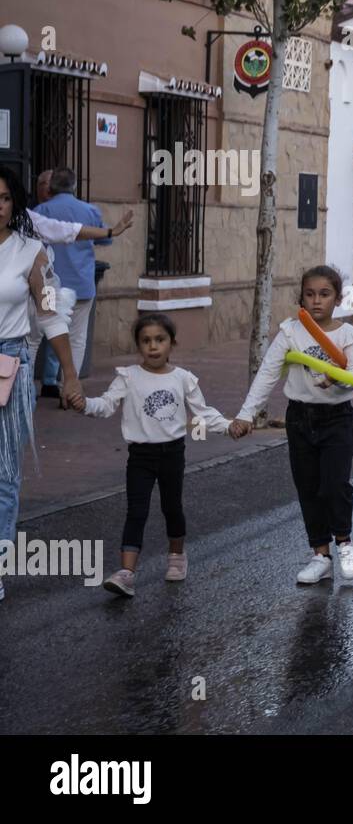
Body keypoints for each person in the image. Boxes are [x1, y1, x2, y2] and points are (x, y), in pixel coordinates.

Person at [73, 313, 230, 597]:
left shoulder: (183, 378)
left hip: (172, 453)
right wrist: (84, 404)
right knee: (136, 511)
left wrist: (231, 427)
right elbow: (107, 405)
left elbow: (203, 414)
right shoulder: (128, 377)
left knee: (172, 507)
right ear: (138, 346)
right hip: (140, 457)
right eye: (146, 341)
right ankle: (126, 574)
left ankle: (177, 557)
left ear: (172, 343)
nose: (153, 346)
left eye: (160, 339)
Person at [229, 266, 353, 584]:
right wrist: (247, 414)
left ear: (338, 297)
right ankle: (320, 554)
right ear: (301, 297)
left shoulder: (349, 334)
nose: (317, 301)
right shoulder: (291, 331)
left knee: (335, 485)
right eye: (310, 294)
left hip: (336, 419)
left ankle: (344, 542)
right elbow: (268, 373)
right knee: (308, 487)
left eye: (324, 294)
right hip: (300, 418)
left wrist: (339, 377)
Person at [0, 167, 84, 603]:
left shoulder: (32, 253)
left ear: (14, 204)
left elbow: (50, 312)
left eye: (3, 198)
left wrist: (69, 373)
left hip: (8, 367)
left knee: (4, 471)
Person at [31, 167, 113, 400]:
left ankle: (47, 382)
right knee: (76, 338)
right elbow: (105, 239)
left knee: (46, 332)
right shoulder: (90, 210)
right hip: (81, 284)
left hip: (49, 284)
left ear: (51, 187)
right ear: (74, 187)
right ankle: (71, 388)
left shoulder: (41, 210)